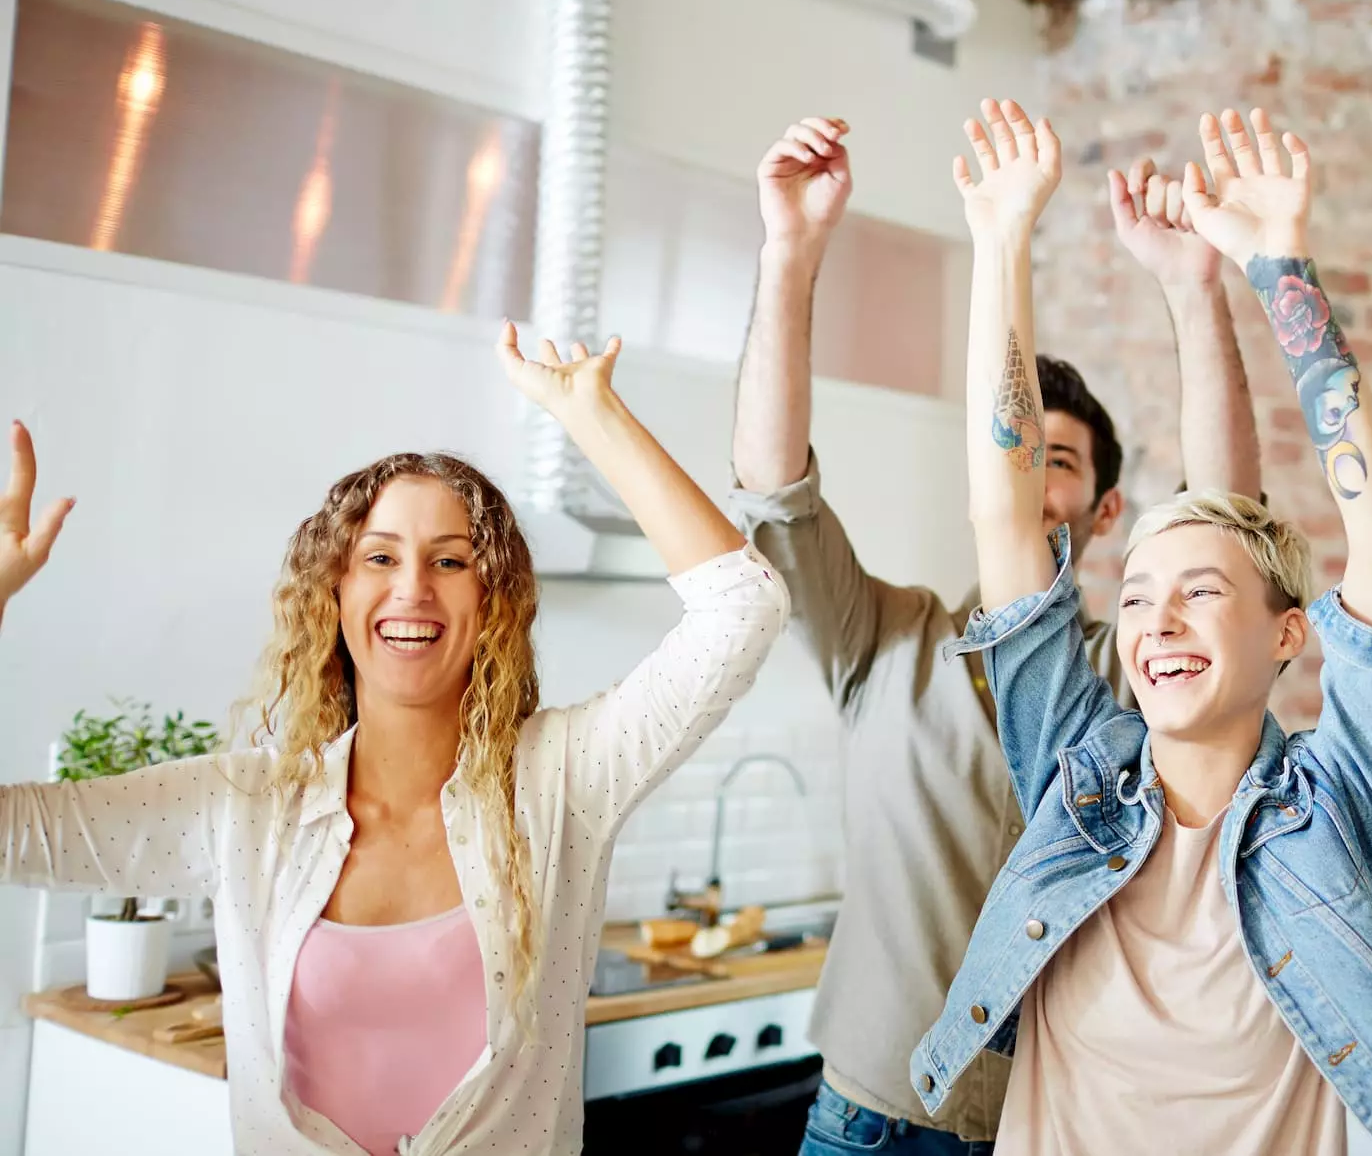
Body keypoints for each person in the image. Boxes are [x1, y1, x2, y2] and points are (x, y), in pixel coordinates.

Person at [0, 325, 789, 1156]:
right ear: (333, 593)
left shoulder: (564, 782)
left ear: (493, 600)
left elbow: (745, 608)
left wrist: (588, 411)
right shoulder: (244, 809)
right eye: (380, 556)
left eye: (451, 561)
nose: (413, 587)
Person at [912, 103, 1372, 1156]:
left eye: (1200, 593)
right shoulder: (1073, 770)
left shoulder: (1339, 807)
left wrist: (1278, 268)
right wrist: (999, 240)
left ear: (1288, 633)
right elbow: (1003, 508)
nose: (1154, 620)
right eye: (1133, 596)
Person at [729, 115, 1264, 1156]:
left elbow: (1228, 524)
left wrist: (1196, 289)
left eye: (1057, 463)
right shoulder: (878, 636)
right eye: (1022, 457)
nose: (1032, 482)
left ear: (1106, 511)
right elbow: (770, 490)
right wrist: (789, 254)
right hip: (868, 1120)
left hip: (1062, 1125)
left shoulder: (1143, 673)